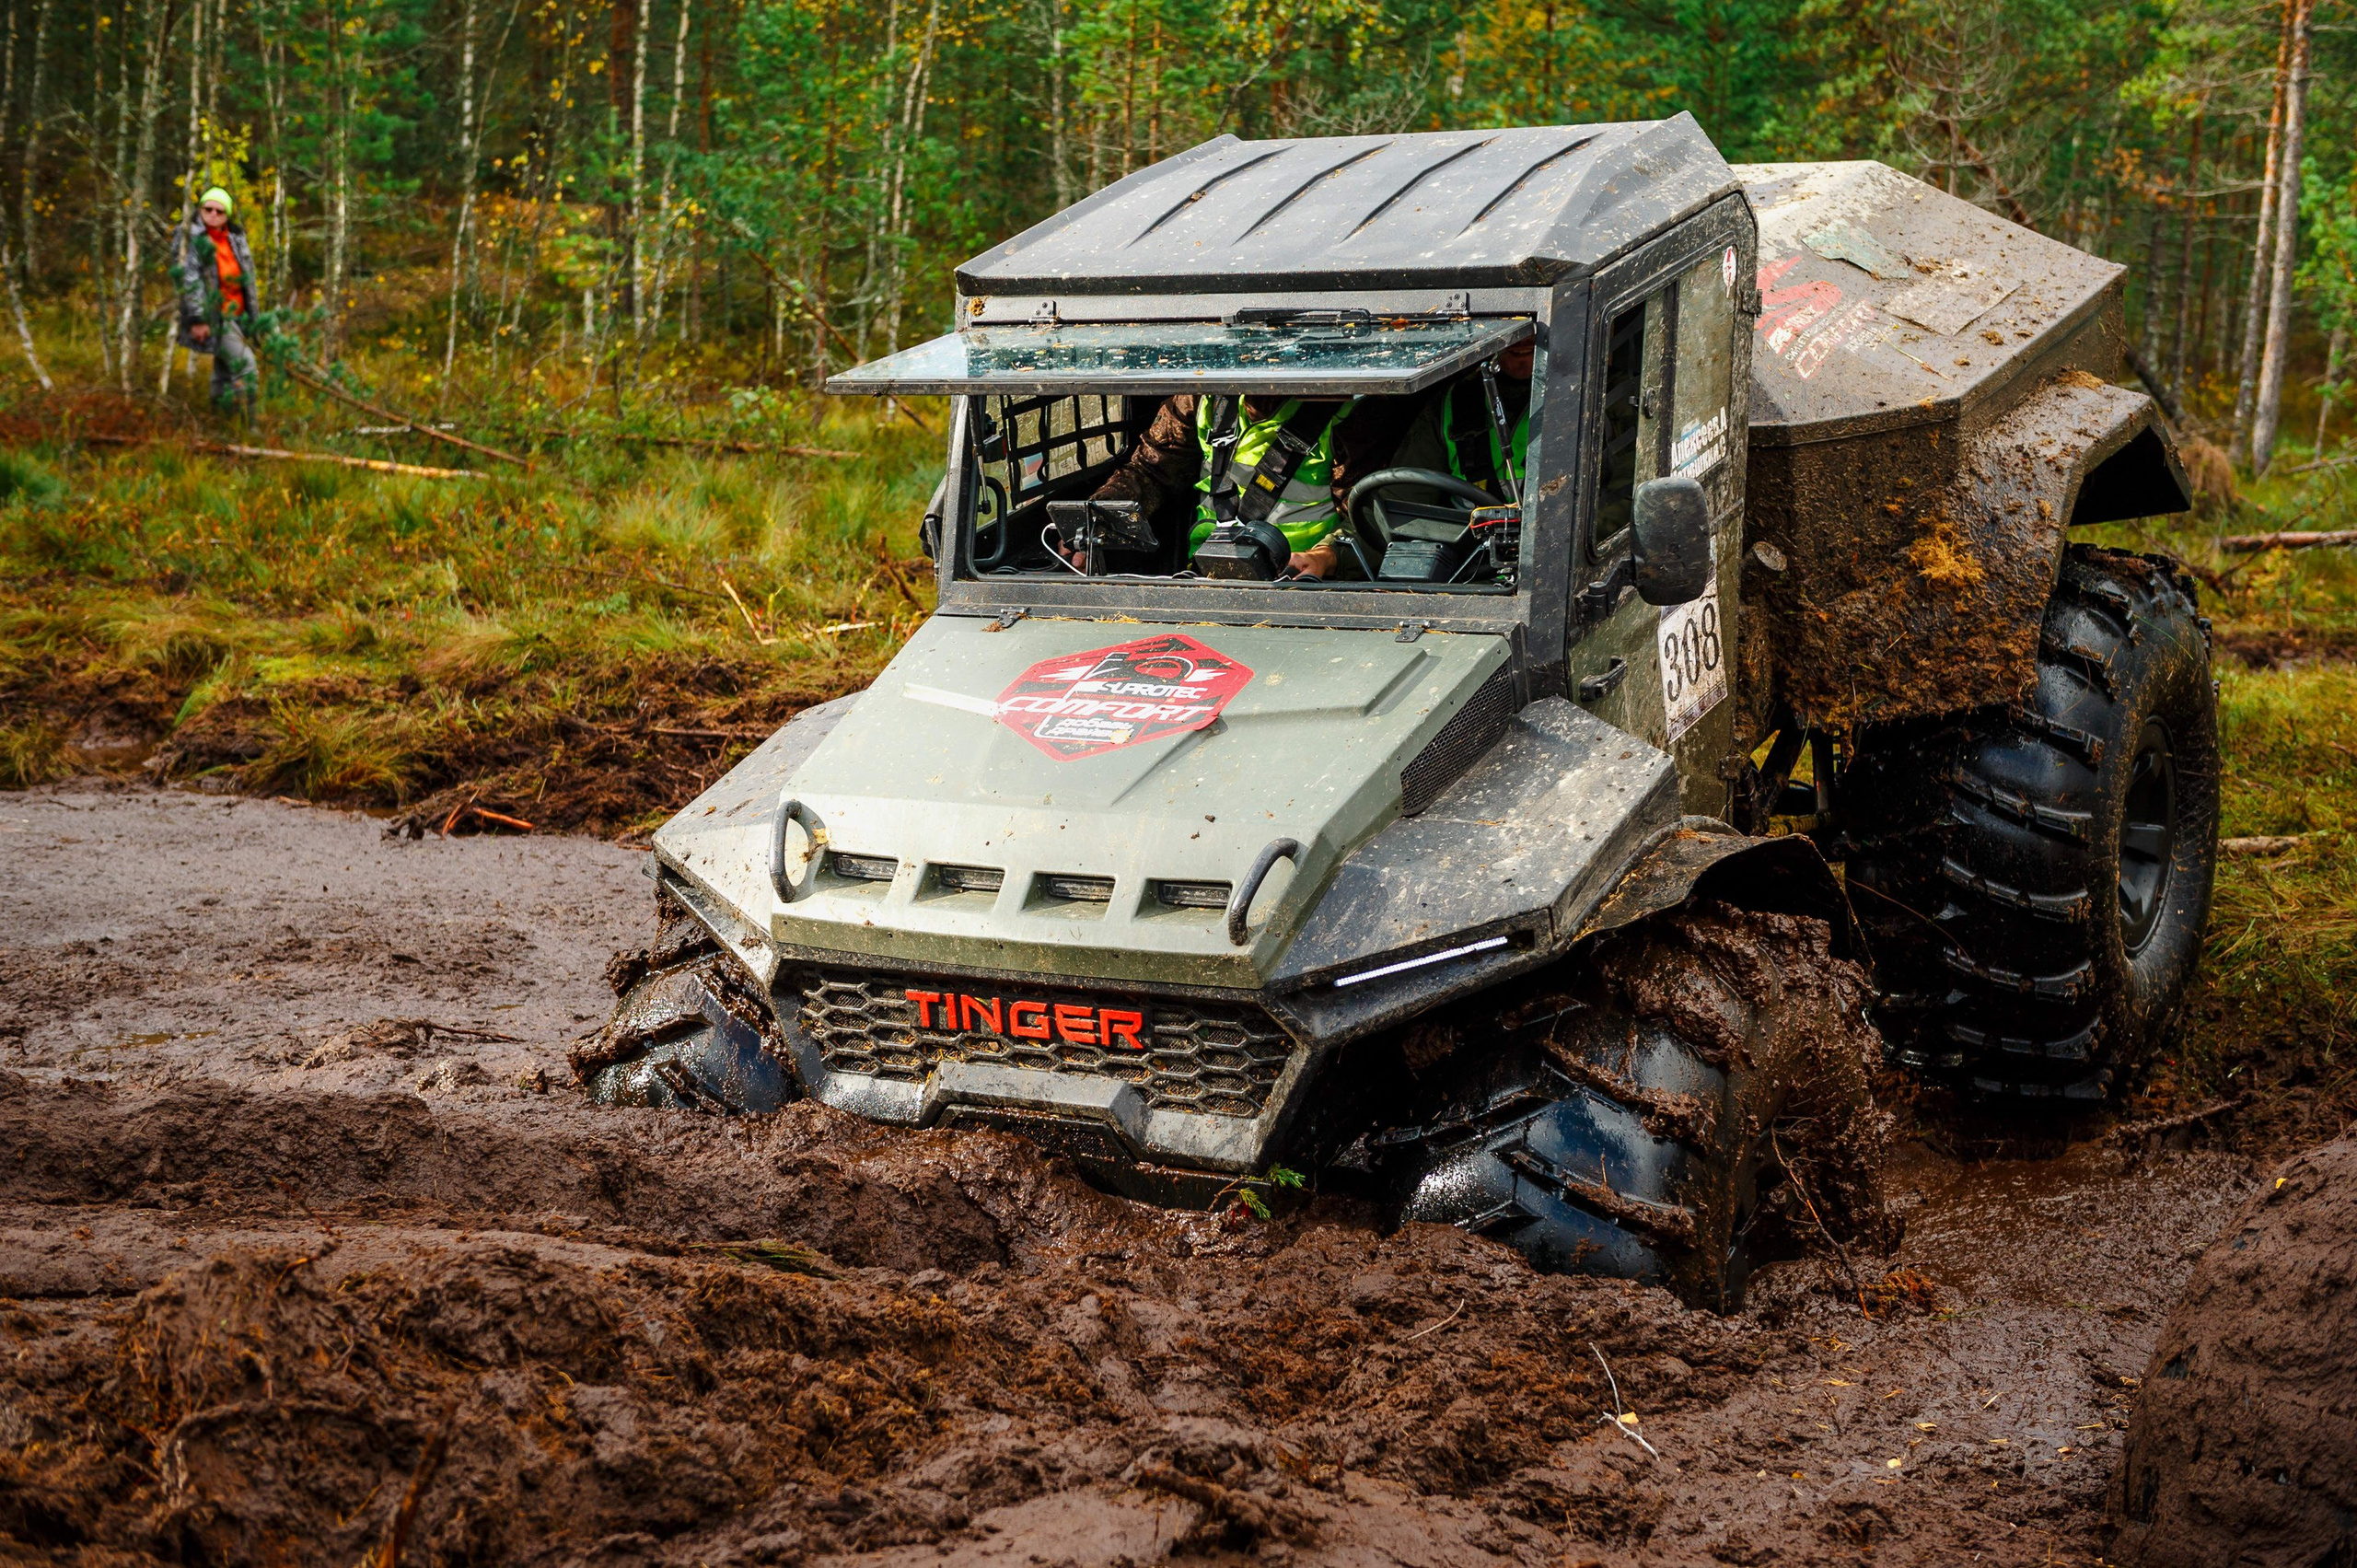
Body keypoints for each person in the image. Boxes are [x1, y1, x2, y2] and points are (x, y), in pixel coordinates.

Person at [1084, 392, 1414, 578]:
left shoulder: (1351, 417)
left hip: (1303, 586)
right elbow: (1149, 471)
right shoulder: (1200, 397)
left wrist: (1326, 557)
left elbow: (1367, 517)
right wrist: (1095, 521)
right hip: (1201, 579)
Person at [173, 187, 261, 416]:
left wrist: (254, 318)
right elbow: (189, 281)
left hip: (238, 313)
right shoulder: (191, 238)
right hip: (214, 315)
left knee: (223, 369)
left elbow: (248, 279)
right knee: (246, 366)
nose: (213, 214)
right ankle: (249, 423)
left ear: (227, 215)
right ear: (200, 210)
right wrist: (198, 319)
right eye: (208, 209)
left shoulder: (235, 237)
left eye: (219, 211)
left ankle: (219, 420)